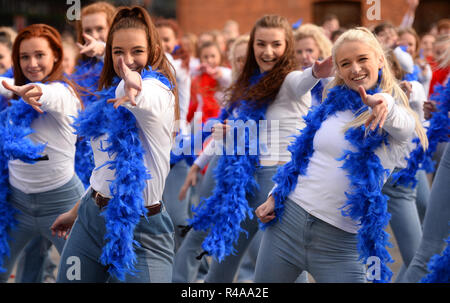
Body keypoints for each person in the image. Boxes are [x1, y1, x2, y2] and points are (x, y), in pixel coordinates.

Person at [254, 27, 428, 283]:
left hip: (341, 244)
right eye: (345, 63)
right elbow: (304, 155)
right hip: (286, 225)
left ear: (380, 59)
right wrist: (275, 193)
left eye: (362, 59)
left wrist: (385, 104)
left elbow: (403, 125)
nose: (355, 69)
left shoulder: (395, 116)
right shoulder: (331, 105)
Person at [178, 14, 332, 283]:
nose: (268, 51)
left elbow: (302, 80)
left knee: (286, 266)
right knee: (224, 260)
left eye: (276, 44)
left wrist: (316, 72)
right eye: (261, 44)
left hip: (281, 184)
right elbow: (256, 131)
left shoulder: (288, 81)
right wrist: (231, 134)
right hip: (250, 180)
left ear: (287, 47)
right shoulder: (253, 84)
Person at [51, 6, 178, 283]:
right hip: (90, 220)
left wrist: (132, 84)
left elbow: (141, 94)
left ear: (153, 52)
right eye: (118, 52)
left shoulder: (159, 93)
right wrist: (76, 210)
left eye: (137, 51)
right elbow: (104, 171)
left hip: (142, 231)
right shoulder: (108, 97)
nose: (127, 60)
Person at [0, 24, 85, 282]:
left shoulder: (65, 93)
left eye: (40, 55)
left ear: (56, 56)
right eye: (24, 57)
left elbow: (51, 95)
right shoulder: (14, 92)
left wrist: (37, 91)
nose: (32, 63)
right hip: (17, 204)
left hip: (62, 204)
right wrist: (20, 90)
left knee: (77, 276)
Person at [294, 24, 333, 107]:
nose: (304, 56)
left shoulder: (331, 73)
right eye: (299, 52)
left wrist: (320, 72)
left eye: (309, 50)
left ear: (321, 50)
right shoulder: (291, 74)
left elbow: (335, 91)